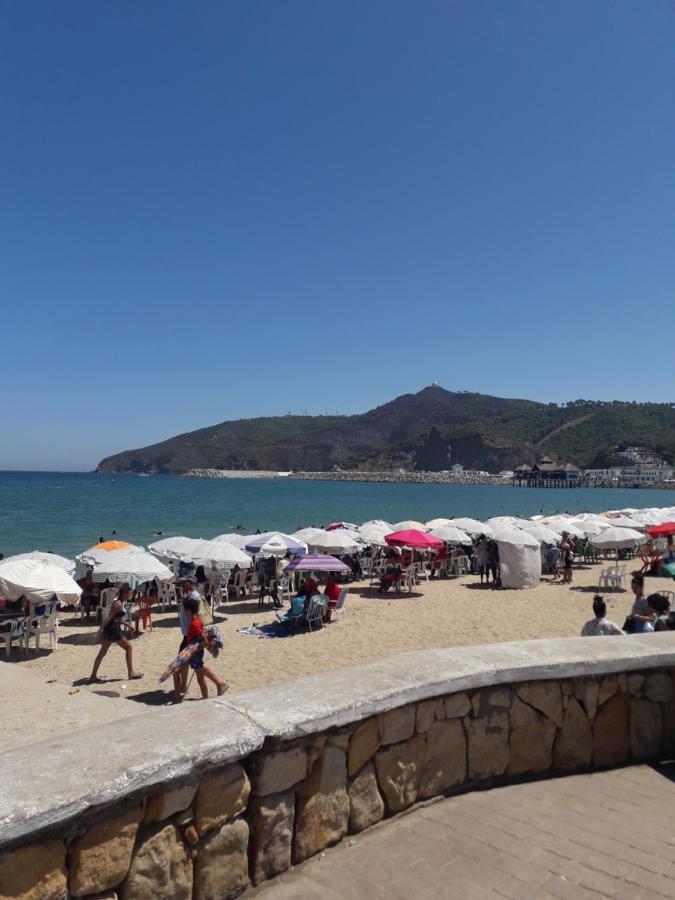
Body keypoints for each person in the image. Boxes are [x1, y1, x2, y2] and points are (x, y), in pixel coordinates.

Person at [174, 595, 227, 701]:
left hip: (195, 654)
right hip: (196, 653)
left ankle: (205, 698)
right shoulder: (197, 619)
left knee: (200, 678)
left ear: (188, 611)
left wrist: (201, 647)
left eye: (184, 610)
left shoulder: (193, 624)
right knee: (200, 675)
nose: (184, 612)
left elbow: (203, 638)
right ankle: (216, 688)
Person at [88, 584, 142, 683]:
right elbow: (109, 617)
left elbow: (117, 618)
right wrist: (100, 629)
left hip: (111, 629)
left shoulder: (119, 602)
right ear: (124, 593)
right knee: (129, 648)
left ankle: (93, 676)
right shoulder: (118, 604)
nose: (130, 596)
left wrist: (128, 625)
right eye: (129, 594)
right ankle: (131, 673)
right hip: (113, 629)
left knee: (102, 653)